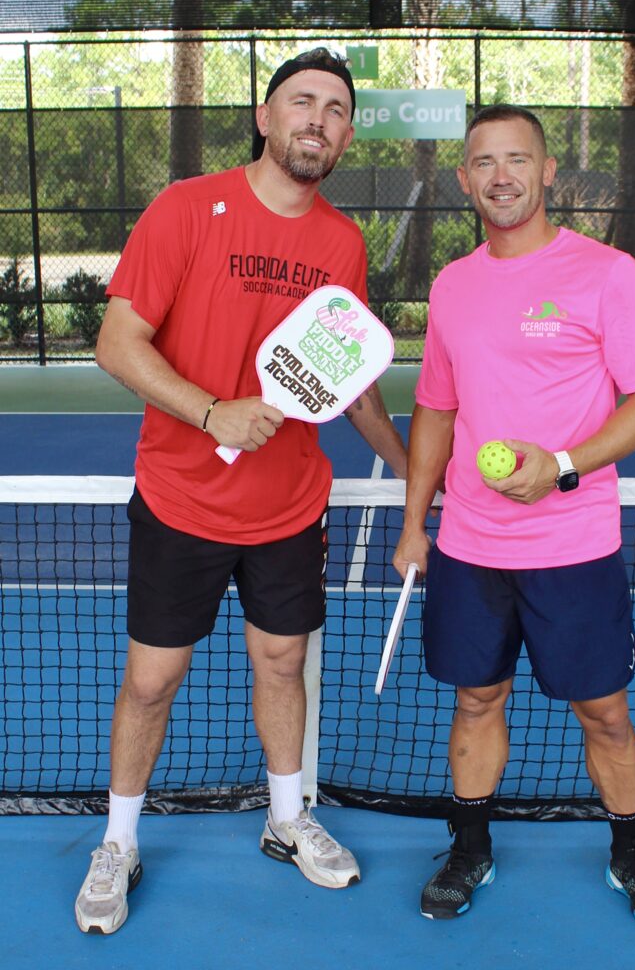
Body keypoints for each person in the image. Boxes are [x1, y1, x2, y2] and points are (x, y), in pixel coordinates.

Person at [75, 47, 407, 935]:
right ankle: (118, 842)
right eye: (303, 101)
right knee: (154, 679)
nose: (318, 120)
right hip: (182, 498)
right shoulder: (187, 208)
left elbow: (347, 378)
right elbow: (117, 342)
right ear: (265, 117)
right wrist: (211, 411)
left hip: (288, 506)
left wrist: (414, 465)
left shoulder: (341, 243)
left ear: (345, 136)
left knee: (284, 664)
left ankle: (287, 819)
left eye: (336, 110)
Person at [393, 104, 635, 930]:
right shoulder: (453, 285)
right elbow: (436, 409)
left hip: (574, 544)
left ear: (548, 171)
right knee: (476, 700)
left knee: (605, 712)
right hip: (470, 545)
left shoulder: (608, 274)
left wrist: (561, 465)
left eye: (517, 158)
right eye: (484, 162)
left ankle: (630, 851)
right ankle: (469, 845)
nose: (502, 176)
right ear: (464, 180)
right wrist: (414, 524)